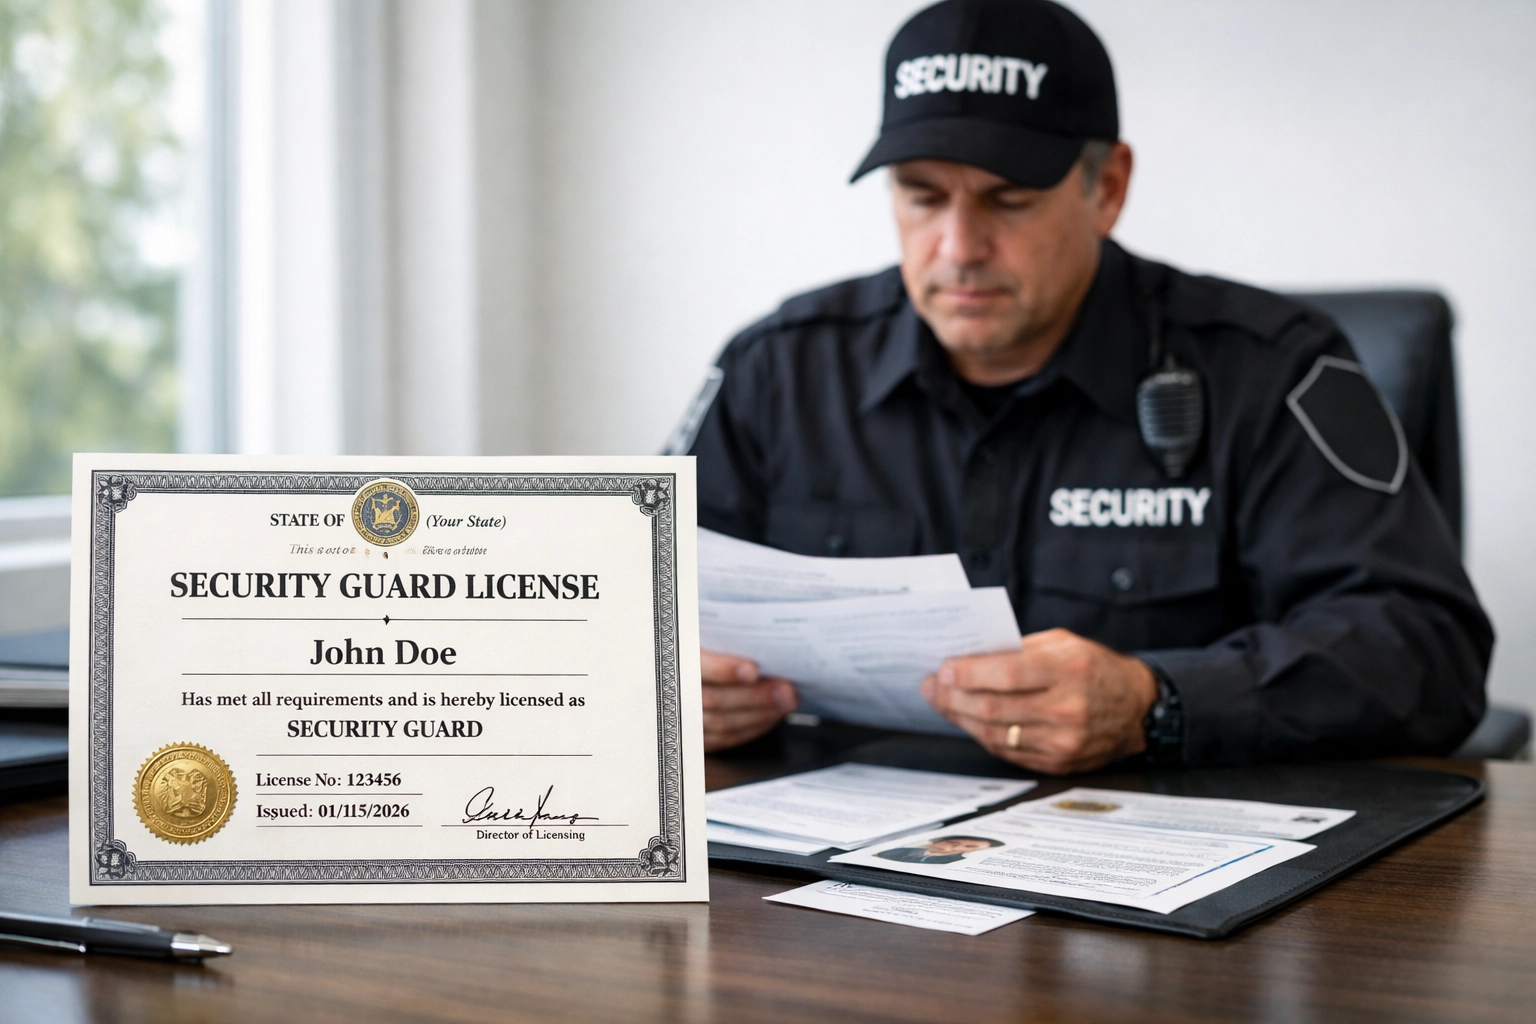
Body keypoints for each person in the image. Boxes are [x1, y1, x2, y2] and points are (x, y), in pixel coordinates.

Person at [676, 0, 1493, 773]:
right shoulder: (779, 372)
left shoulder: (1268, 369)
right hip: (823, 877)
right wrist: (671, 685)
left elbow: (1428, 651)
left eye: (1009, 200)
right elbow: (620, 610)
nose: (959, 247)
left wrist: (1155, 702)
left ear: (1106, 189)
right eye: (922, 198)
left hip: (1162, 871)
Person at [876, 836, 1005, 865]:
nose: (958, 847)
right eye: (953, 842)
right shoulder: (896, 852)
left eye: (970, 848)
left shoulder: (954, 861)